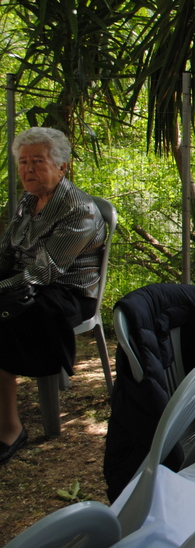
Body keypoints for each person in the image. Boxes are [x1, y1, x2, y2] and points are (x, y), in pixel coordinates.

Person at [0, 127, 107, 465]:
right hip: (29, 284)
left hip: (66, 294)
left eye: (38, 161)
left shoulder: (79, 210)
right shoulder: (27, 202)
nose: (28, 169)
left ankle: (10, 428)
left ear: (62, 167)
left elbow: (44, 272)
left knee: (2, 322)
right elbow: (7, 253)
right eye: (23, 162)